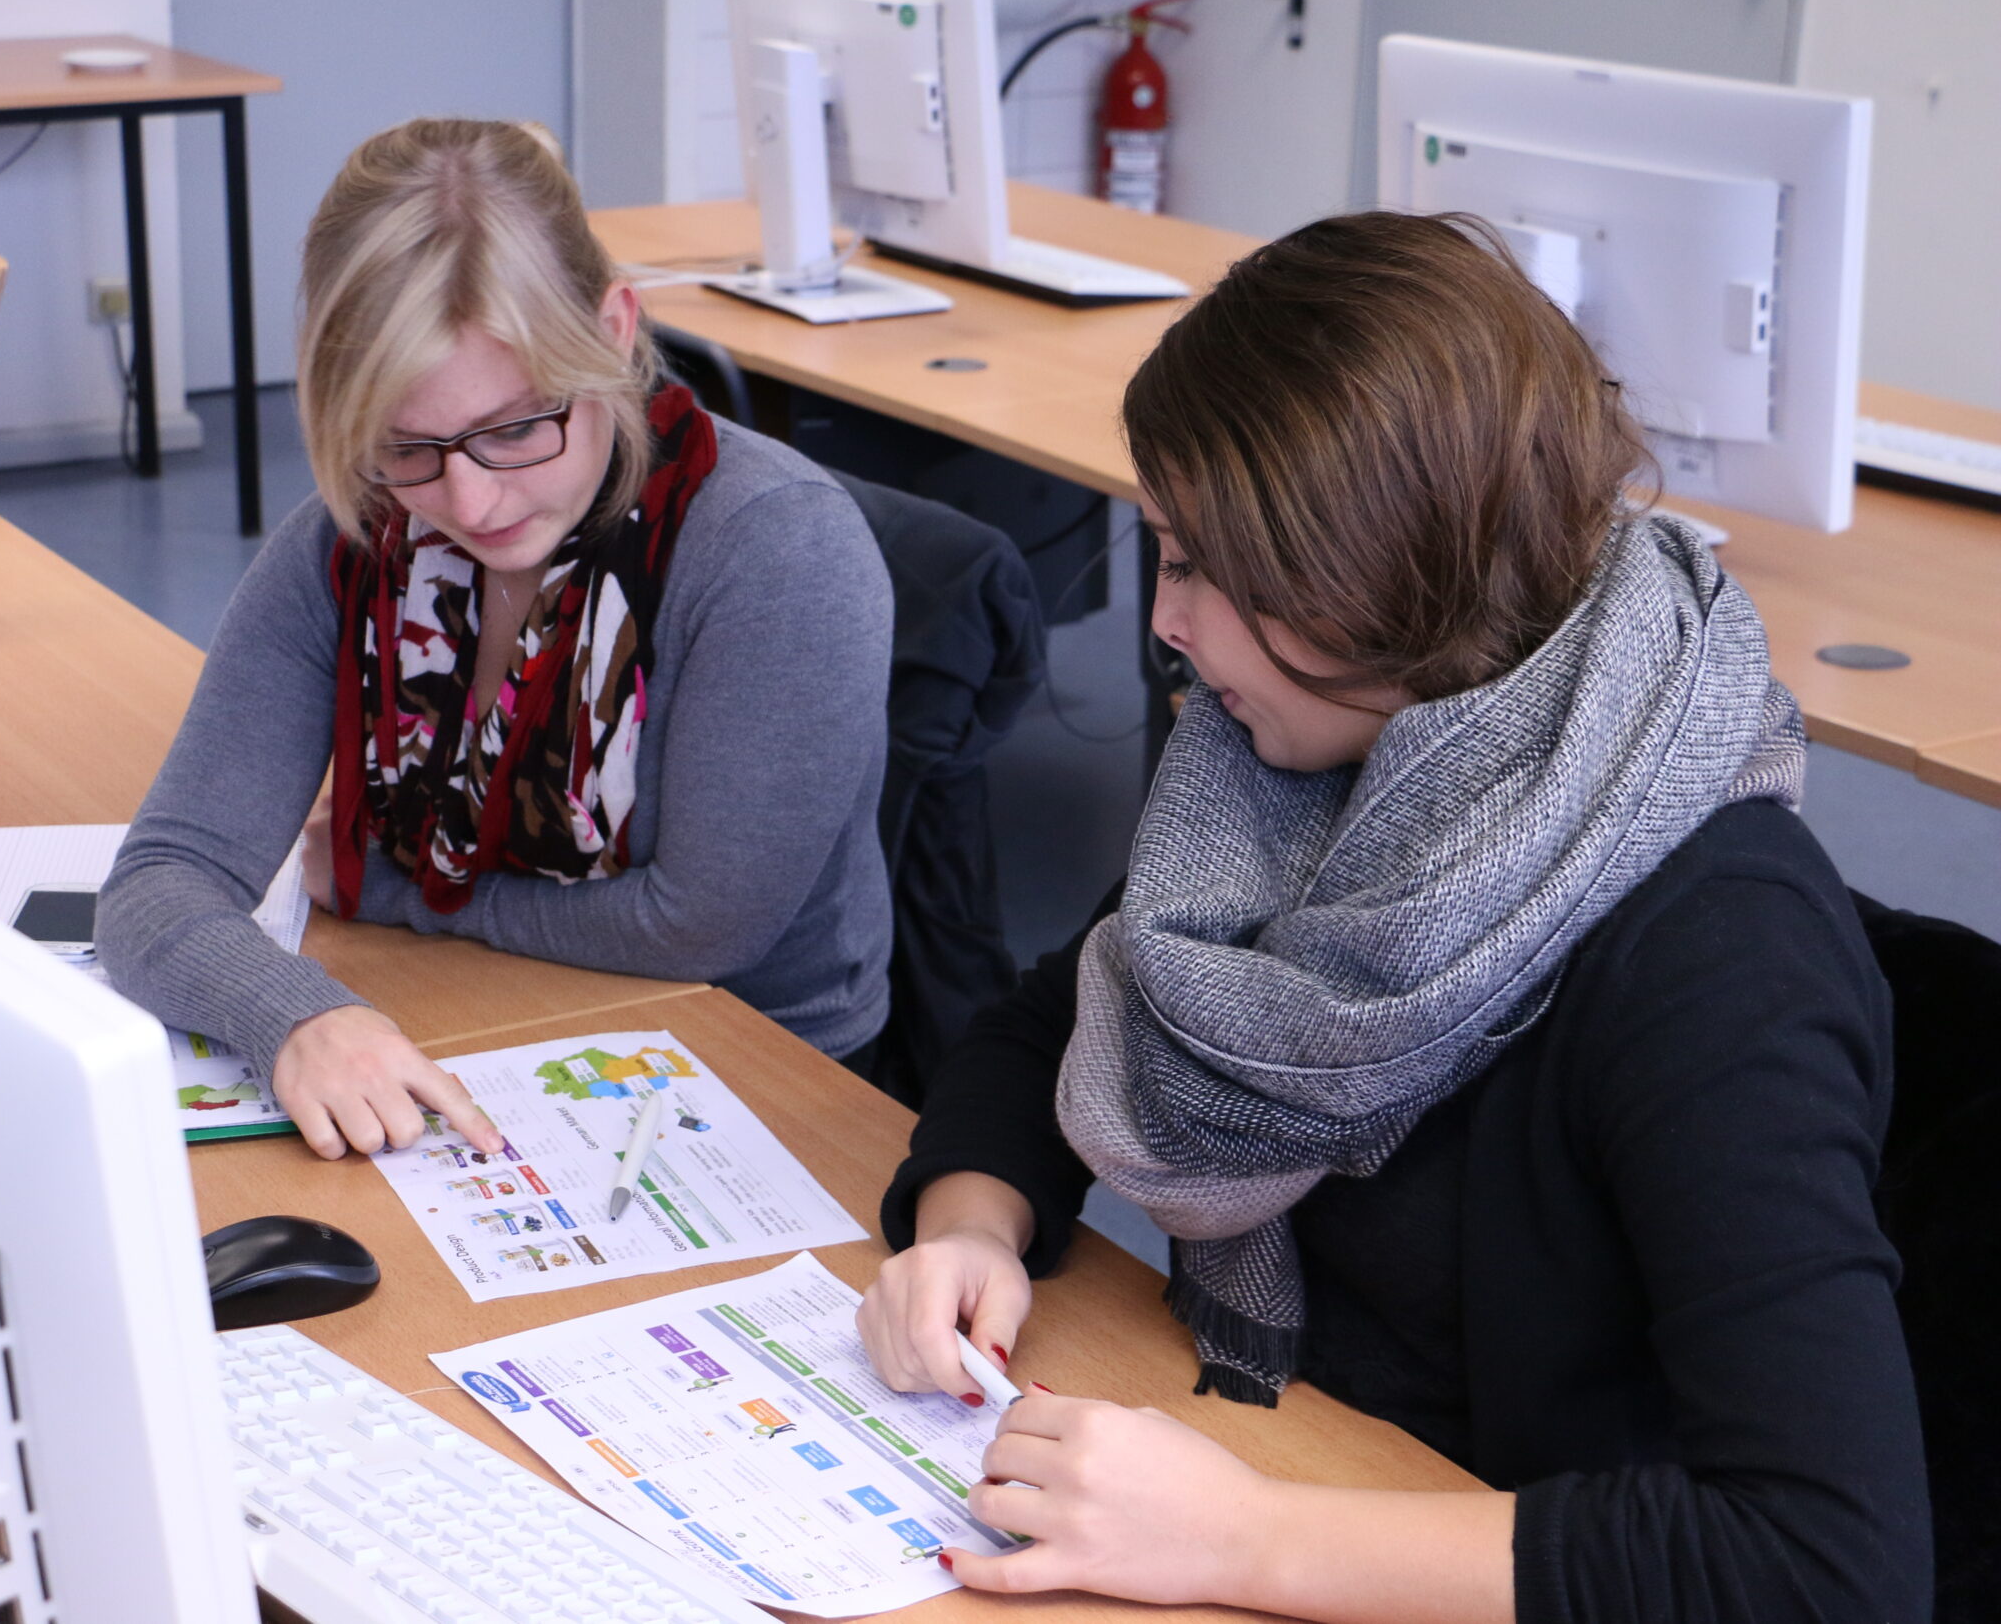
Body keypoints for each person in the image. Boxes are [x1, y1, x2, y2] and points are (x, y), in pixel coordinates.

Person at [858, 213, 1930, 1623]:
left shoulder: (1716, 951)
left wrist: (1250, 1538)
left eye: (1193, 565)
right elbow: (1060, 1006)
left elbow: (1826, 1563)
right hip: (1305, 1461)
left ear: (1362, 587)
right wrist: (975, 1225)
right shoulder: (1303, 770)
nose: (1164, 623)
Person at [99, 119, 892, 1162]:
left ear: (612, 330)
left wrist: (396, 893)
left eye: (517, 428)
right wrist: (293, 1013)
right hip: (458, 1023)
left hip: (747, 1076)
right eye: (407, 446)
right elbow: (164, 874)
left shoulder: (774, 548)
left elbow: (701, 930)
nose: (469, 501)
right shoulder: (356, 537)